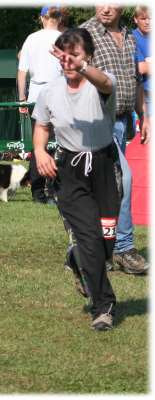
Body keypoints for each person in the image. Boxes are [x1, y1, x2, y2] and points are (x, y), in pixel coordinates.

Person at [33, 28, 119, 331]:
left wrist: (82, 67)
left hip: (104, 165)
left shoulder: (100, 84)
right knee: (90, 238)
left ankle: (76, 259)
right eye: (64, 56)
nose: (68, 61)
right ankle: (102, 307)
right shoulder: (50, 92)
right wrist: (40, 151)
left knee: (107, 241)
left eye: (76, 55)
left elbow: (105, 82)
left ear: (89, 56)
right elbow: (42, 124)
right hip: (70, 170)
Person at [80, 5, 150, 275]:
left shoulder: (130, 36)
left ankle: (94, 249)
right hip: (97, 121)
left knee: (104, 186)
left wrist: (143, 114)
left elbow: (134, 78)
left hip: (123, 121)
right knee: (124, 179)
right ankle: (123, 247)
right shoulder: (85, 32)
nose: (106, 8)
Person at [17, 6, 63, 205]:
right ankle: (54, 189)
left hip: (36, 94)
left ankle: (37, 192)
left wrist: (22, 99)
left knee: (39, 144)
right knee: (59, 143)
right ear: (59, 18)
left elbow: (22, 72)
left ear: (42, 18)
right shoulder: (64, 38)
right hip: (59, 93)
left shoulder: (31, 38)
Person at [133, 6, 150, 103]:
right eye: (143, 19)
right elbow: (141, 68)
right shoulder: (132, 38)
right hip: (145, 96)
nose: (147, 22)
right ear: (135, 19)